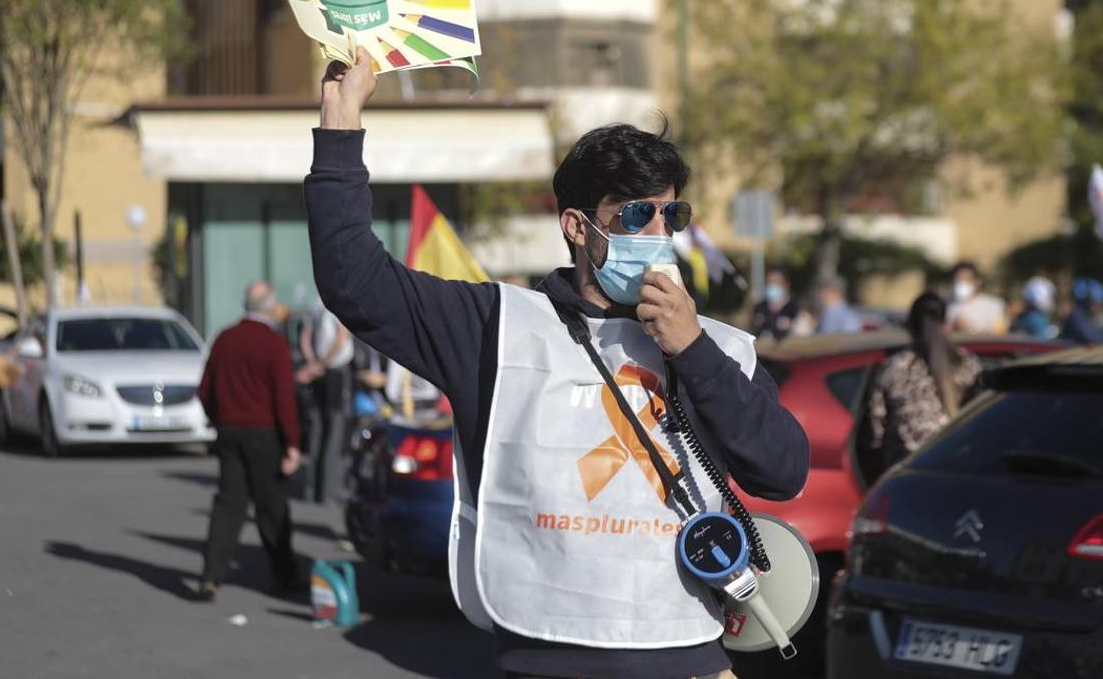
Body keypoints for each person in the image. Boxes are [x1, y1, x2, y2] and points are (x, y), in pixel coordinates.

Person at [306, 50, 808, 679]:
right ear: (577, 226)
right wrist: (340, 121)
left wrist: (693, 350)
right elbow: (355, 282)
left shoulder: (720, 346)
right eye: (633, 215)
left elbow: (783, 472)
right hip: (547, 652)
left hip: (689, 658)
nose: (656, 232)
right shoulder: (499, 327)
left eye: (668, 214)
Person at [195, 281, 303, 602]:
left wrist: (219, 418)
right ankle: (284, 574)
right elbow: (284, 399)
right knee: (271, 508)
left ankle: (211, 576)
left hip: (229, 432)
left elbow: (204, 389)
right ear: (268, 307)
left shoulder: (224, 339)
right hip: (263, 434)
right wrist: (292, 443)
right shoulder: (273, 344)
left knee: (228, 506)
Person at [865, 292, 982, 474]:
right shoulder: (968, 365)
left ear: (910, 326)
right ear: (946, 324)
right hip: (955, 465)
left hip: (904, 470)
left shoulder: (894, 367)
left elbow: (876, 429)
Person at [298, 302, 354, 502]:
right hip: (335, 371)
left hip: (318, 373)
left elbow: (305, 337)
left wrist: (313, 364)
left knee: (317, 430)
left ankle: (312, 488)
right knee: (334, 433)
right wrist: (322, 364)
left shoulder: (314, 305)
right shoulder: (336, 300)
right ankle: (328, 491)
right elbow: (341, 338)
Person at [946, 261, 1007, 334]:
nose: (962, 283)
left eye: (967, 279)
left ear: (977, 282)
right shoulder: (949, 306)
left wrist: (970, 328)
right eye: (958, 280)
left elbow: (1001, 333)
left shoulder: (995, 304)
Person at [750, 268, 801, 342]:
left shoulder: (795, 307)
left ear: (786, 285)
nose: (772, 285)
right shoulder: (760, 307)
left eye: (776, 282)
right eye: (769, 282)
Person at [1060, 277, 1103, 344]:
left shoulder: (1083, 315)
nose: (1101, 307)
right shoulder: (1076, 316)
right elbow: (1092, 338)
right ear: (1086, 302)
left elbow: (1095, 332)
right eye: (1097, 303)